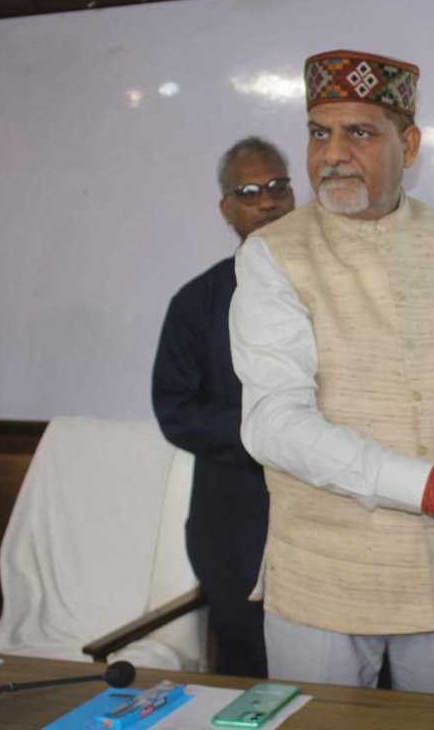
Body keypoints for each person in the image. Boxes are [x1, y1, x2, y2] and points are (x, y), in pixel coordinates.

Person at [228, 49, 434, 695]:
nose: (332, 154)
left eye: (360, 133)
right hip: (326, 580)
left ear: (411, 143)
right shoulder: (272, 256)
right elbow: (274, 424)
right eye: (319, 133)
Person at [151, 136, 296, 677]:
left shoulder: (336, 287)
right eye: (250, 191)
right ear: (227, 209)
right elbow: (175, 408)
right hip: (237, 513)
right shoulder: (197, 302)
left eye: (279, 186)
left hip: (333, 508)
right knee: (252, 664)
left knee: (347, 674)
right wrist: (272, 435)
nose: (268, 202)